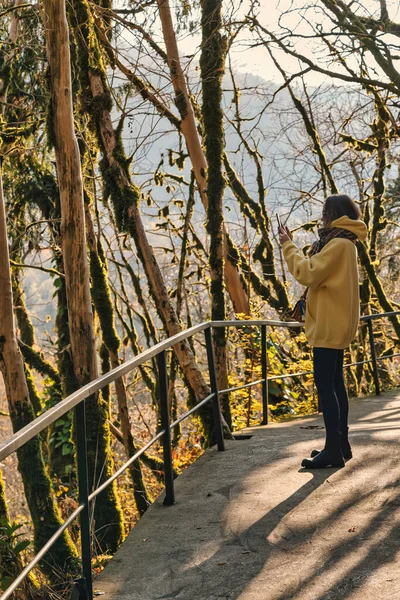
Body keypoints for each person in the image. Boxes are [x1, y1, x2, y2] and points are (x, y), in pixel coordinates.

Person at [278, 194, 367, 469]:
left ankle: (333, 450)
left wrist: (287, 246)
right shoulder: (345, 242)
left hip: (330, 325)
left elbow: (308, 274)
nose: (322, 217)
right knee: (336, 385)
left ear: (334, 214)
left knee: (326, 386)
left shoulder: (338, 244)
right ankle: (339, 445)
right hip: (336, 323)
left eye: (325, 212)